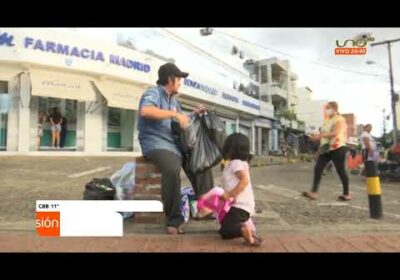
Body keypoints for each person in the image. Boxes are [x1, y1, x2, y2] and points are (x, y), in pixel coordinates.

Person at [138, 62, 214, 235]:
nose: (181, 82)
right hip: (155, 143)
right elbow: (146, 111)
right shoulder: (153, 93)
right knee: (172, 168)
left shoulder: (174, 100)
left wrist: (194, 114)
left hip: (173, 144)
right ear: (171, 79)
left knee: (201, 160)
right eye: (179, 79)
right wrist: (174, 114)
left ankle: (206, 207)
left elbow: (182, 120)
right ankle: (173, 219)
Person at [219, 133, 263, 246]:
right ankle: (250, 235)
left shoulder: (235, 163)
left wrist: (230, 194)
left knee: (225, 231)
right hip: (242, 206)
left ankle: (243, 230)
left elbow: (244, 181)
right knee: (225, 222)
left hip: (240, 206)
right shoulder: (239, 163)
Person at [302, 101, 351, 201]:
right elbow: (325, 138)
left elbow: (335, 133)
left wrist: (319, 136)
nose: (326, 110)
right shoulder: (327, 121)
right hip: (327, 148)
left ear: (334, 108)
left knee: (340, 171)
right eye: (326, 108)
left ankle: (346, 194)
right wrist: (318, 152)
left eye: (328, 108)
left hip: (338, 147)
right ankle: (314, 192)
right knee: (318, 168)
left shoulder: (339, 119)